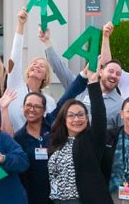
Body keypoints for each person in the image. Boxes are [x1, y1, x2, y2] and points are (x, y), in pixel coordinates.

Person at [46, 67, 112, 204]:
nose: (76, 119)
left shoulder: (91, 140)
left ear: (87, 118)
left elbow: (100, 117)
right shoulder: (56, 142)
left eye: (80, 115)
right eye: (71, 115)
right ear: (64, 120)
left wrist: (93, 85)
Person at [41, 28, 125, 129]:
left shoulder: (120, 104)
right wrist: (47, 42)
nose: (114, 75)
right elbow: (60, 69)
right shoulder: (80, 87)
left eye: (118, 73)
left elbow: (122, 134)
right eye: (111, 71)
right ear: (101, 72)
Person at [5, 9, 56, 131]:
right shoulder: (15, 86)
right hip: (14, 143)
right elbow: (15, 57)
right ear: (28, 71)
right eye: (34, 63)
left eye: (42, 65)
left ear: (46, 76)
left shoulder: (49, 102)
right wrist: (21, 25)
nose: (37, 65)